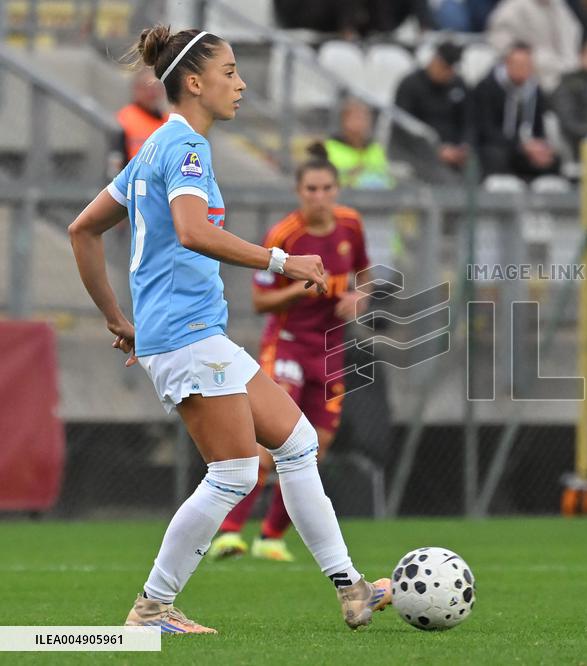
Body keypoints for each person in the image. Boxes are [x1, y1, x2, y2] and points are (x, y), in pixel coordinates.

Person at [67, 25, 390, 633]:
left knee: (296, 445)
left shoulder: (154, 149)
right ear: (195, 83)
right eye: (232, 72)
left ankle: (350, 588)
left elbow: (82, 229)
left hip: (192, 332)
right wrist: (281, 261)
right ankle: (151, 607)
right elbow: (192, 231)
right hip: (186, 335)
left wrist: (120, 319)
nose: (241, 84)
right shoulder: (186, 148)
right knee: (238, 472)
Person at [206, 158, 370, 562]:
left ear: (337, 190)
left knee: (318, 445)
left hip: (330, 349)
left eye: (326, 188)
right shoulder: (284, 235)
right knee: (273, 440)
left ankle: (271, 536)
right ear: (299, 193)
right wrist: (300, 290)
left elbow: (365, 274)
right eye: (311, 189)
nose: (319, 197)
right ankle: (230, 532)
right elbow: (261, 301)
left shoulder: (351, 225)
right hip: (289, 344)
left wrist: (357, 298)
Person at [473, 42, 560, 180]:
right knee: (495, 156)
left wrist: (540, 146)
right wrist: (520, 145)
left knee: (552, 160)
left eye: (526, 65)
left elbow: (539, 127)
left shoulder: (535, 91)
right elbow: (486, 130)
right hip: (499, 145)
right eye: (518, 65)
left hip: (527, 147)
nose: (522, 69)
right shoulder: (487, 88)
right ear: (507, 64)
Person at [393, 41, 472, 183]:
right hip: (419, 153)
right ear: (435, 60)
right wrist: (436, 151)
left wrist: (463, 146)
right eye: (445, 67)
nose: (448, 73)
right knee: (446, 180)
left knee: (475, 169)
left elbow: (468, 121)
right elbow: (403, 128)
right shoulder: (411, 85)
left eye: (451, 69)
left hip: (454, 152)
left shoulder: (458, 84)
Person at [486, 0, 583, 91]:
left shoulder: (559, 6)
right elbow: (498, 36)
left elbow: (572, 33)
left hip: (564, 69)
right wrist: (523, 55)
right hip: (532, 70)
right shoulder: (515, 5)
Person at [320, 98, 393, 190]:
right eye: (355, 118)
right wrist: (351, 176)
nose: (360, 124)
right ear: (343, 121)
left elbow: (385, 178)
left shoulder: (375, 148)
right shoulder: (327, 148)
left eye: (364, 119)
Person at [117, 67, 167, 163]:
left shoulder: (168, 121)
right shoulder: (124, 119)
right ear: (136, 89)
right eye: (146, 88)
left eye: (156, 88)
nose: (152, 93)